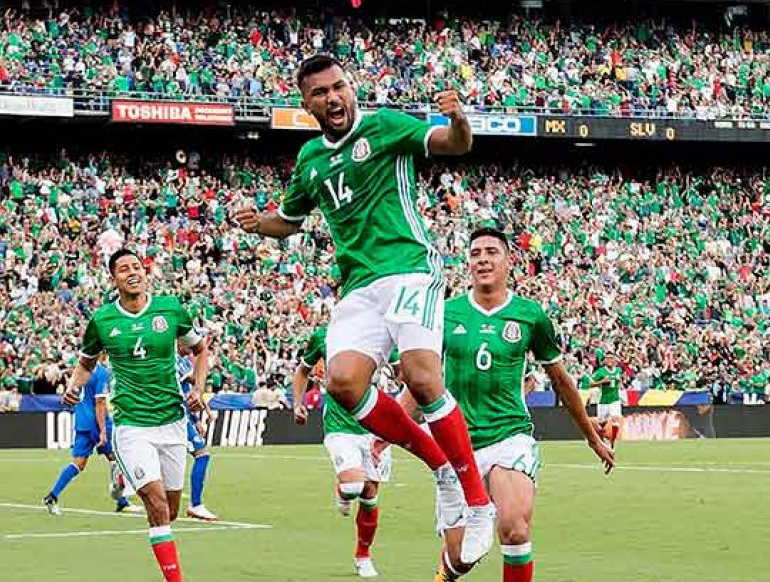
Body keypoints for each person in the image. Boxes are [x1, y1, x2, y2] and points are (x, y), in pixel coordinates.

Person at [234, 53, 496, 564]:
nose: (333, 97)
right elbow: (290, 220)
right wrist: (258, 223)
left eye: (339, 87)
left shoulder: (385, 126)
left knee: (422, 377)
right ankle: (441, 466)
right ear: (307, 103)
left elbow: (455, 144)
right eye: (320, 93)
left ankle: (477, 501)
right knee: (343, 383)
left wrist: (459, 120)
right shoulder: (310, 159)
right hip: (358, 286)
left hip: (409, 267)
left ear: (351, 88)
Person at [397, 228, 615, 582]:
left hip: (509, 436)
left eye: (491, 252)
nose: (483, 259)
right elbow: (422, 384)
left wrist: (591, 436)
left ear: (508, 261)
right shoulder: (445, 313)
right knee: (461, 559)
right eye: (475, 253)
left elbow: (561, 381)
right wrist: (381, 437)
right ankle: (447, 572)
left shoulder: (530, 315)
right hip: (457, 445)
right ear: (468, 263)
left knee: (514, 528)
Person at [64, 249, 209, 582]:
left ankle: (129, 482)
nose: (132, 272)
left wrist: (199, 388)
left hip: (172, 421)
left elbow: (200, 350)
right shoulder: (103, 320)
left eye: (136, 267)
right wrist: (74, 386)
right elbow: (86, 363)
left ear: (145, 272)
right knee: (157, 505)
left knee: (169, 510)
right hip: (131, 425)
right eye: (123, 269)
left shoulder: (170, 309)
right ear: (113, 278)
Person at [293, 323, 396, 578]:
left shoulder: (382, 332)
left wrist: (394, 377)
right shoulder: (323, 335)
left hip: (376, 426)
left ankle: (363, 556)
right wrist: (297, 403)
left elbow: (402, 369)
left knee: (370, 495)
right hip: (339, 426)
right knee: (353, 487)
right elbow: (303, 370)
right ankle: (343, 490)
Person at [43, 362, 137, 515]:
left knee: (78, 463)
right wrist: (102, 430)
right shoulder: (101, 373)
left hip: (82, 421)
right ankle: (122, 500)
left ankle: (52, 496)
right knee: (118, 459)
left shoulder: (81, 370)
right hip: (97, 422)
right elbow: (100, 402)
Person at [176, 350, 219, 522]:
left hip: (182, 416)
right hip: (175, 416)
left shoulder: (184, 361)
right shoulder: (175, 361)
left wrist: (195, 420)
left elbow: (190, 393)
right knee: (202, 455)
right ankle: (195, 505)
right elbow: (195, 385)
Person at [590, 356, 624, 447]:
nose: (609, 360)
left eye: (611, 358)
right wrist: (602, 381)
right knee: (601, 423)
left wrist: (620, 384)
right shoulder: (600, 371)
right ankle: (601, 439)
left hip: (615, 399)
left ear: (614, 360)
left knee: (615, 419)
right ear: (604, 360)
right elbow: (590, 384)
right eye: (607, 358)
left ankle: (612, 442)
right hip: (603, 401)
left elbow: (620, 379)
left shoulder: (618, 370)